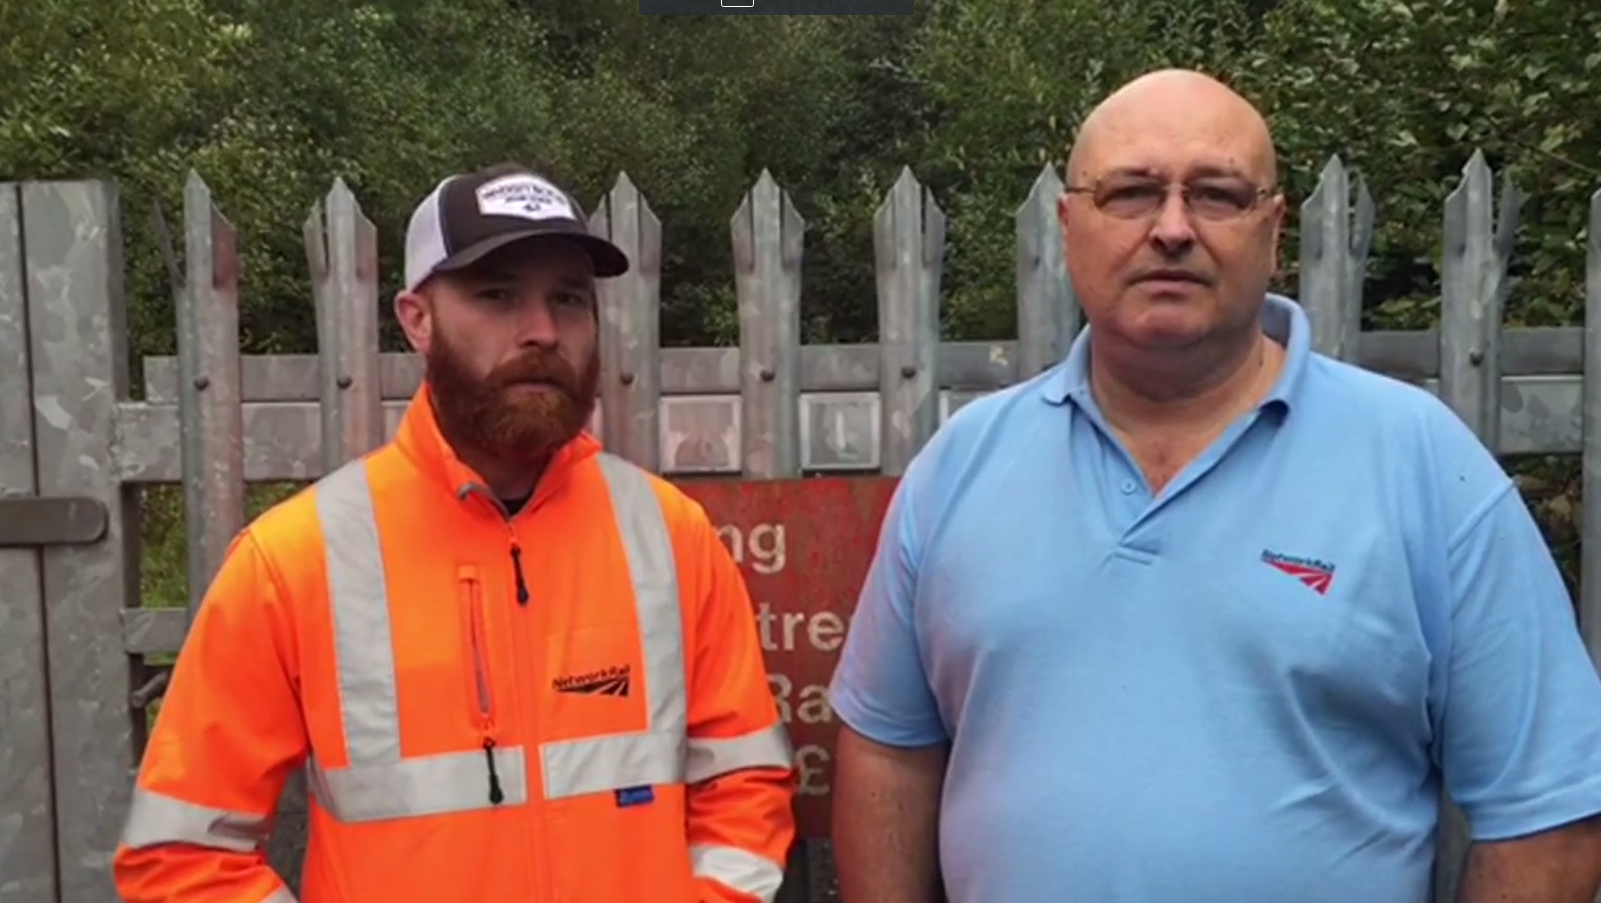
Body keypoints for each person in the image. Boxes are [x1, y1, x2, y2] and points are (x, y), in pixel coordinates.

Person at [827, 69, 1601, 903]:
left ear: (1273, 229)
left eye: (1217, 194)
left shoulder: (1420, 465)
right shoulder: (961, 465)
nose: (1171, 229)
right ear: (1067, 224)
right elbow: (888, 749)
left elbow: (1548, 809)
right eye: (1130, 192)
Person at [113, 162, 797, 903]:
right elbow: (180, 855)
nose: (542, 331)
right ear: (417, 318)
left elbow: (743, 783)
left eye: (568, 298)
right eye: (497, 295)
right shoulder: (295, 561)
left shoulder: (670, 537)